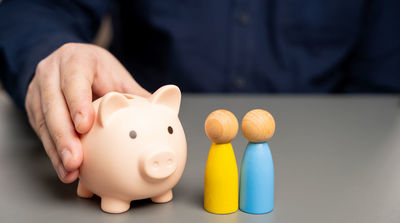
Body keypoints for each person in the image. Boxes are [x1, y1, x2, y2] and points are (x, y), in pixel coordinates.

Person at [0, 0, 399, 183]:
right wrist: (51, 55)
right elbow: (34, 10)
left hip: (332, 167)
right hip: (121, 127)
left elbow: (381, 85)